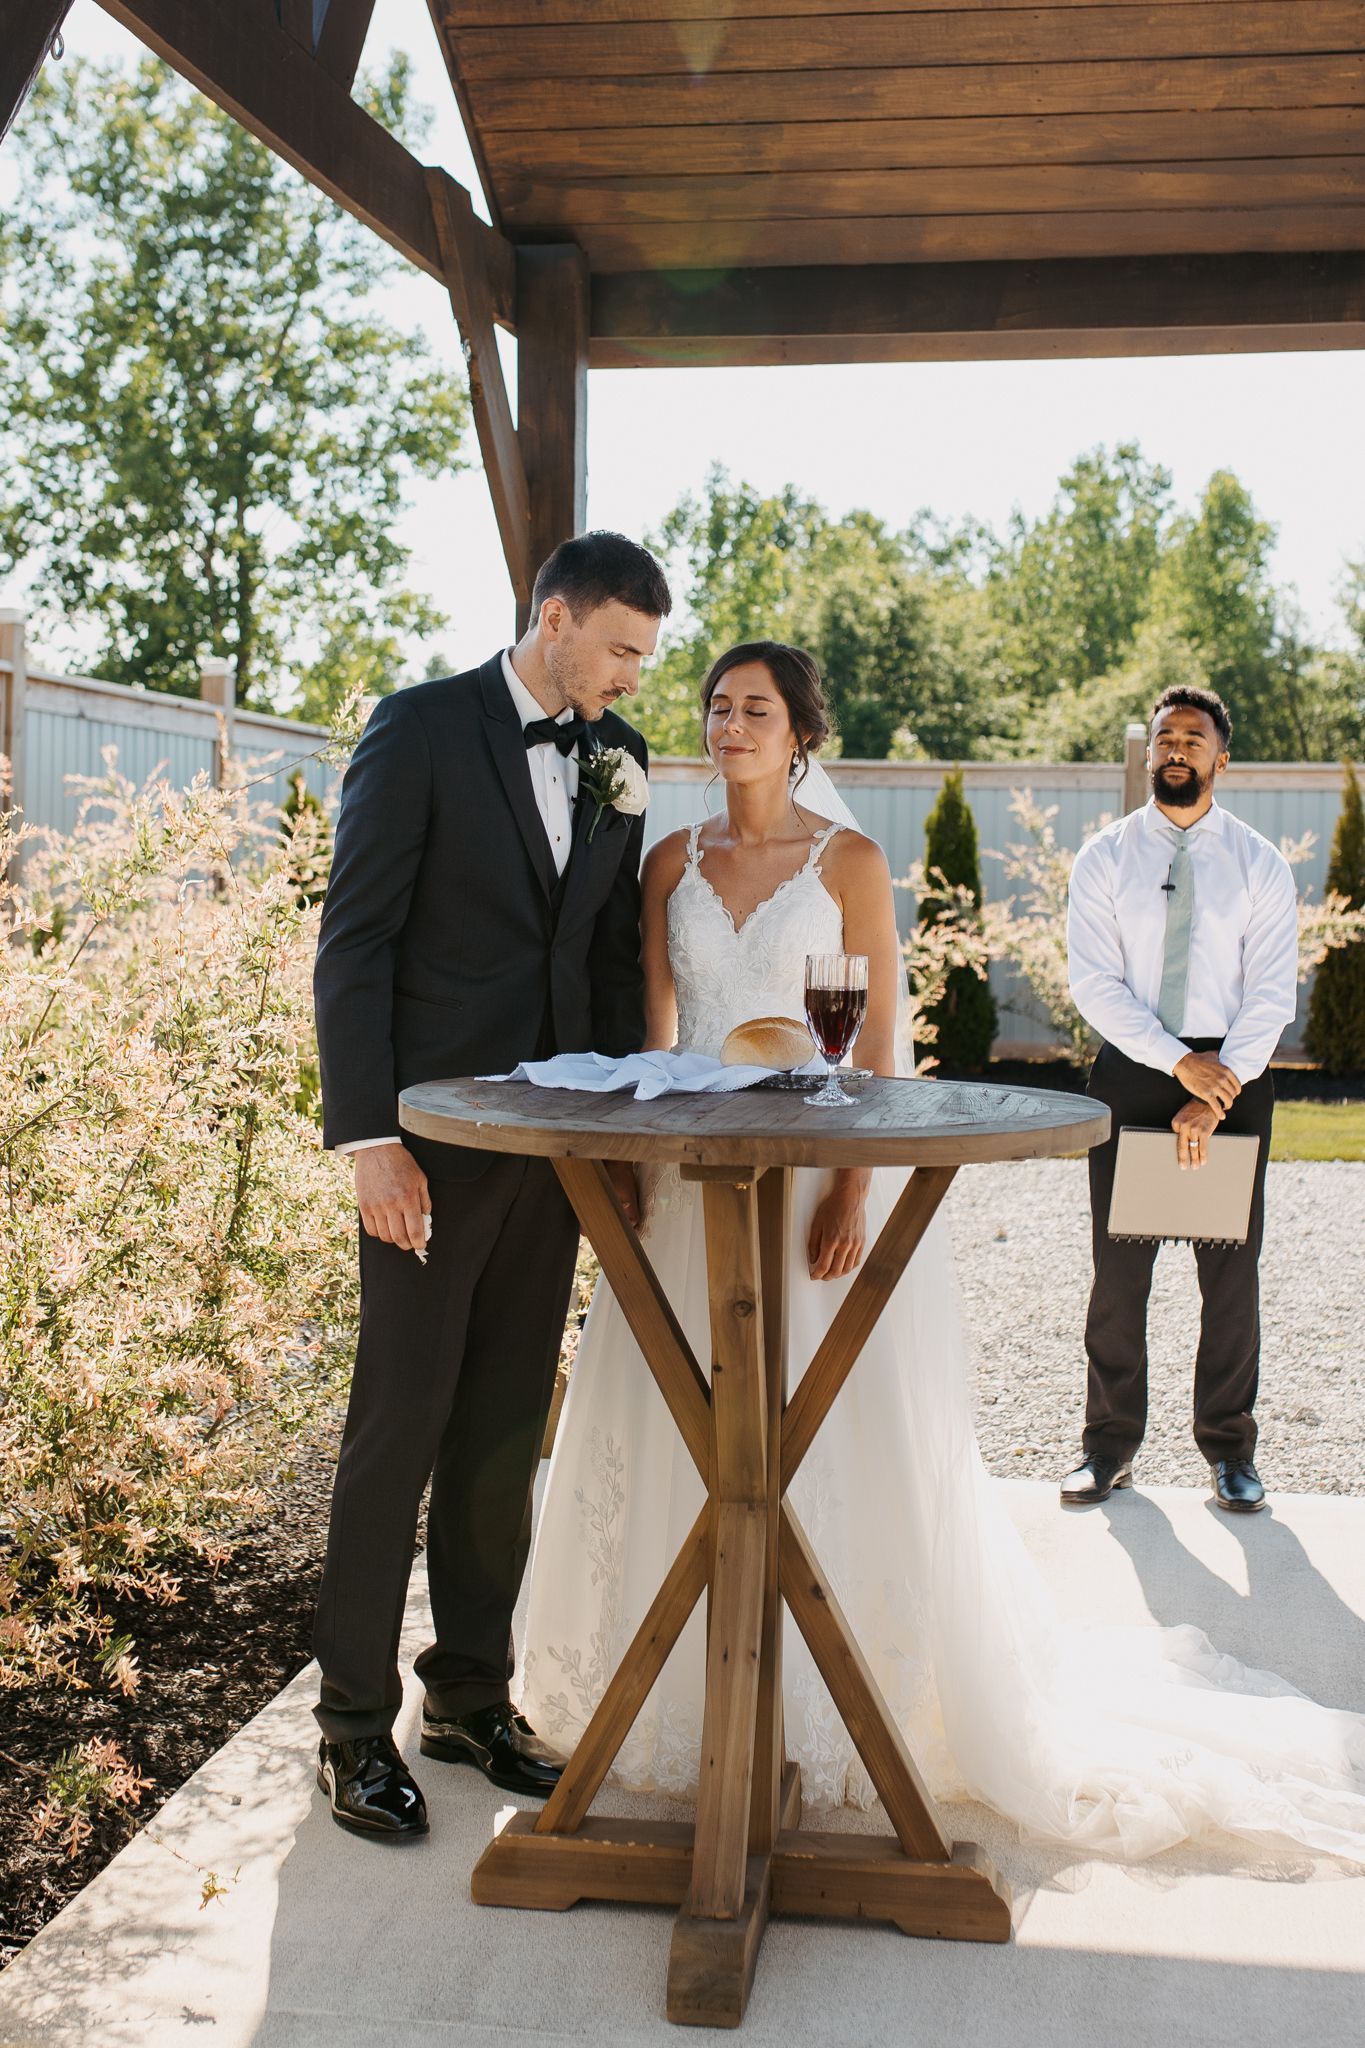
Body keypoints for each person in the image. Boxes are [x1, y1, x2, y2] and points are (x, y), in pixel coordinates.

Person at [518, 644, 1365, 1867]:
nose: (729, 722)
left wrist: (854, 1181)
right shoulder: (669, 860)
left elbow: (877, 1043)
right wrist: (643, 1168)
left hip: (816, 1172)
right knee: (676, 1418)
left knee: (824, 1429)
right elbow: (660, 1029)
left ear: (801, 729)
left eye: (756, 707)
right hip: (686, 1174)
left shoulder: (850, 861)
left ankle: (841, 1688)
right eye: (715, 704)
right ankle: (682, 1698)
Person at [310, 531, 670, 1840]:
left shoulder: (619, 762)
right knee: (397, 1424)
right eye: (621, 648)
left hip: (555, 1153)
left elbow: (614, 964)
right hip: (426, 1151)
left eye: (645, 656)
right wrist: (369, 1140)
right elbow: (354, 949)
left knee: (503, 1432)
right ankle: (349, 1726)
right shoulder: (419, 730)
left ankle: (466, 1694)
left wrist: (620, 1136)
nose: (633, 676)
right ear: (557, 616)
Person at [1062, 686, 1298, 1513]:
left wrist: (1215, 1085)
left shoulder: (1260, 863)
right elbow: (1093, 982)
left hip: (1233, 1075)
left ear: (1219, 758)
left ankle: (1230, 1452)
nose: (1174, 749)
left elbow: (1270, 994)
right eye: (1164, 737)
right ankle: (1106, 1448)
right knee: (1118, 1276)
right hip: (1133, 1073)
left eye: (1192, 739)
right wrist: (1174, 1066)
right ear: (1148, 752)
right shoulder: (1103, 858)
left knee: (1227, 1280)